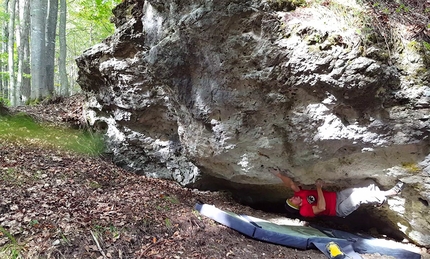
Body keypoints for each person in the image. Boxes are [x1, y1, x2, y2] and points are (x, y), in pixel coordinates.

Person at [269, 167, 405, 218]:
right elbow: (321, 207)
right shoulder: (304, 211)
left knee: (367, 184)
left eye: (291, 198)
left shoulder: (300, 194)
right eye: (292, 200)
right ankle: (390, 193)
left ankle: (379, 199)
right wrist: (318, 188)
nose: (293, 197)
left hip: (337, 196)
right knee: (358, 196)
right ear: (296, 206)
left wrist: (279, 175)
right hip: (338, 209)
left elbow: (291, 184)